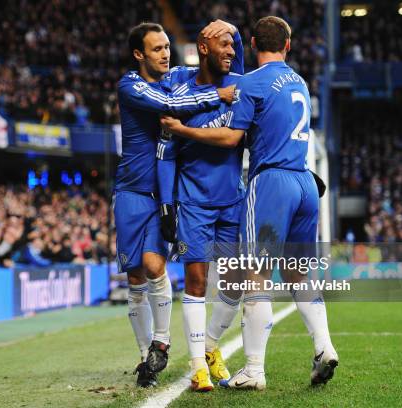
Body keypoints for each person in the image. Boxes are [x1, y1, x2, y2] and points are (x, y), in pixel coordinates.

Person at [160, 16, 338, 390]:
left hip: (271, 182)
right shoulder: (300, 81)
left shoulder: (251, 84)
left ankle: (254, 369)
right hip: (305, 182)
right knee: (297, 273)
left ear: (253, 45)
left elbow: (231, 138)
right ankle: (324, 347)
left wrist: (181, 130)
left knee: (255, 275)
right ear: (287, 46)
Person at [116, 21, 236, 387]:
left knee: (154, 266)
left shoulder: (176, 76)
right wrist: (220, 96)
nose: (166, 53)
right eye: (157, 49)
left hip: (164, 195)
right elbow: (170, 105)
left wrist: (227, 35)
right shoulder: (131, 85)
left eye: (167, 46)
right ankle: (145, 358)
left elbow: (209, 72)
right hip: (131, 192)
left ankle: (162, 343)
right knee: (135, 277)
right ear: (139, 54)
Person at [156, 23, 245, 392]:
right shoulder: (179, 90)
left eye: (234, 45)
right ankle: (197, 366)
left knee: (237, 282)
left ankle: (209, 346)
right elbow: (165, 152)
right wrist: (166, 205)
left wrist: (235, 32)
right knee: (196, 282)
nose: (231, 50)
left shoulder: (239, 85)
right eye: (224, 44)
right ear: (203, 48)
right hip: (194, 201)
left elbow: (242, 55)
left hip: (233, 200)